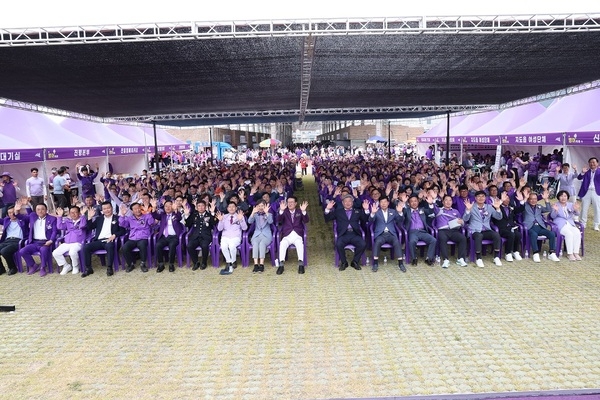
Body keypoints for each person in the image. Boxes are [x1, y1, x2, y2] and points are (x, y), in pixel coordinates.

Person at [324, 194, 367, 271]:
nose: (348, 203)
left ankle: (355, 261)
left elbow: (365, 220)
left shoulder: (357, 211)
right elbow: (327, 219)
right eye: (345, 201)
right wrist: (327, 209)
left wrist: (366, 210)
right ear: (343, 203)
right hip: (343, 234)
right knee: (339, 244)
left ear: (352, 202)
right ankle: (344, 262)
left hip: (354, 234)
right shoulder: (338, 212)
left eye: (349, 201)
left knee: (362, 244)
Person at [82, 201, 124, 277]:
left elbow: (123, 230)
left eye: (108, 208)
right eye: (104, 209)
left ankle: (109, 268)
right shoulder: (99, 219)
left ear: (112, 208)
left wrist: (115, 235)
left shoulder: (117, 218)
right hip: (99, 241)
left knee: (109, 246)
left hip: (110, 240)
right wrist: (89, 218)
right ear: (102, 210)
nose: (106, 210)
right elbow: (89, 227)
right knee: (86, 247)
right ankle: (88, 268)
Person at [515, 191, 560, 263]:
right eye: (531, 199)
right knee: (534, 234)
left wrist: (546, 200)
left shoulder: (539, 206)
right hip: (530, 227)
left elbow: (548, 209)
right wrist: (524, 199)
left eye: (535, 199)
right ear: (529, 199)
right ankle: (535, 253)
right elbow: (520, 208)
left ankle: (552, 253)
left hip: (540, 227)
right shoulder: (525, 206)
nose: (533, 201)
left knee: (552, 234)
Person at [463, 191, 503, 268]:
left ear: (485, 198)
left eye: (482, 196)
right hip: (475, 230)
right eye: (478, 196)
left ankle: (496, 257)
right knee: (479, 236)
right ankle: (478, 258)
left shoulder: (489, 207)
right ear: (475, 198)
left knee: (496, 235)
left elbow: (498, 217)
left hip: (486, 229)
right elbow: (465, 219)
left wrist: (498, 208)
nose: (481, 198)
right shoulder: (471, 206)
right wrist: (468, 210)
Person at [19, 203, 58, 277]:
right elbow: (21, 217)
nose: (40, 211)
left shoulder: (52, 219)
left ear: (46, 210)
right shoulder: (32, 216)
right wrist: (17, 211)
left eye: (42, 209)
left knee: (43, 250)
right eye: (38, 209)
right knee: (22, 251)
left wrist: (51, 240)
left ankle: (43, 267)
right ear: (36, 211)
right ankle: (33, 265)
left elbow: (54, 231)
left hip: (46, 242)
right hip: (34, 242)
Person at [368, 196, 405, 272]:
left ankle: (401, 263)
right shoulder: (377, 211)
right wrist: (372, 213)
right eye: (381, 202)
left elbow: (400, 220)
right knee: (377, 242)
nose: (383, 204)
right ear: (379, 203)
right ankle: (375, 263)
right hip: (380, 234)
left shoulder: (393, 211)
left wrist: (400, 212)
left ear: (388, 203)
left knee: (396, 242)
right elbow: (370, 221)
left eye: (385, 202)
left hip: (391, 233)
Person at [431, 194, 468, 268]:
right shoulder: (439, 210)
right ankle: (445, 260)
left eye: (450, 200)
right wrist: (432, 201)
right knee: (443, 238)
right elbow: (433, 207)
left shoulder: (456, 211)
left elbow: (462, 222)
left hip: (454, 231)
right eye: (446, 200)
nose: (448, 202)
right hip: (443, 231)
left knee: (463, 238)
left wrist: (462, 222)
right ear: (443, 202)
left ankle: (460, 258)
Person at [119, 202, 157, 273]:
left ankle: (143, 264)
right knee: (124, 247)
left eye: (139, 208)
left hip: (143, 237)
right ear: (132, 211)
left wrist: (148, 213)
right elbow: (122, 224)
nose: (137, 210)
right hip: (132, 238)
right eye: (135, 209)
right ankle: (130, 264)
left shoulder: (146, 216)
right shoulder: (129, 218)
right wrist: (122, 215)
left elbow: (152, 223)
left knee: (142, 245)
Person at [277, 196, 309, 274]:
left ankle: (301, 264)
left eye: (292, 202)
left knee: (299, 244)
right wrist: (281, 210)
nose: (290, 204)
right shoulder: (284, 211)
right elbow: (278, 220)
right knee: (282, 243)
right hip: (287, 235)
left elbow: (306, 220)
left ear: (295, 203)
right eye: (288, 202)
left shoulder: (299, 211)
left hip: (297, 234)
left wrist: (304, 211)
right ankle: (281, 265)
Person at [52, 205, 87, 275]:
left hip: (78, 243)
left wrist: (83, 215)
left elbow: (83, 225)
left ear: (79, 213)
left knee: (72, 252)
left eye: (75, 212)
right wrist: (59, 216)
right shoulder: (68, 222)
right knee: (55, 253)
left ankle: (75, 266)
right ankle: (66, 266)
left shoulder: (82, 220)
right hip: (67, 243)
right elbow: (59, 226)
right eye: (71, 212)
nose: (73, 214)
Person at [402, 195, 436, 266]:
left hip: (422, 231)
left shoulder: (422, 210)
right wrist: (403, 203)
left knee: (433, 240)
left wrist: (430, 204)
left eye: (415, 201)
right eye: (411, 201)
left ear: (418, 202)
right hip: (412, 232)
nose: (414, 203)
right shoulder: (407, 211)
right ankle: (414, 258)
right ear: (409, 203)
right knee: (412, 241)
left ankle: (428, 258)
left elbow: (431, 212)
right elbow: (401, 214)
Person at [216, 201, 248, 275]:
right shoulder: (224, 216)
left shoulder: (239, 216)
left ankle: (232, 261)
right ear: (227, 208)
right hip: (225, 236)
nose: (231, 208)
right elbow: (219, 229)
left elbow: (245, 228)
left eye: (233, 207)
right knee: (223, 247)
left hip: (235, 237)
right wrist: (220, 221)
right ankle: (230, 262)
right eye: (229, 207)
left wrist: (241, 219)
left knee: (231, 246)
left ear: (236, 208)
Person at [550, 190, 582, 261]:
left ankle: (575, 252)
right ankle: (570, 254)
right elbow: (552, 216)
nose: (563, 198)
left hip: (570, 223)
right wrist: (555, 210)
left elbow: (577, 214)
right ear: (558, 197)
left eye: (565, 196)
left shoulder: (570, 204)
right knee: (569, 234)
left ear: (567, 197)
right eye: (561, 196)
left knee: (577, 232)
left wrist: (576, 210)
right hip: (560, 224)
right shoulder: (555, 205)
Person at [184, 200, 216, 271]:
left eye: (202, 206)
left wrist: (213, 213)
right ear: (196, 207)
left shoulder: (209, 215)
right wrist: (186, 215)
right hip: (195, 236)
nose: (201, 207)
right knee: (189, 246)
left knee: (204, 246)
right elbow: (187, 224)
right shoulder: (194, 215)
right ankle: (196, 262)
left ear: (205, 207)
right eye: (199, 206)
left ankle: (204, 262)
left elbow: (214, 223)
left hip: (206, 237)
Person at [0, 200, 29, 275]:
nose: (11, 214)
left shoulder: (23, 219)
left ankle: (12, 268)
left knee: (4, 251)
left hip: (18, 241)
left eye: (13, 212)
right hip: (7, 241)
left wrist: (26, 205)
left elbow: (30, 216)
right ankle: (1, 268)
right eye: (9, 213)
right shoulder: (6, 220)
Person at [155, 200, 184, 273]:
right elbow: (155, 216)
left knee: (172, 245)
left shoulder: (175, 214)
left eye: (169, 205)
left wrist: (176, 210)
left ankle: (171, 264)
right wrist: (153, 207)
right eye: (166, 206)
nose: (167, 207)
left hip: (174, 237)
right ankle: (161, 264)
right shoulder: (162, 215)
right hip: (164, 237)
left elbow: (179, 217)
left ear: (173, 206)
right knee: (158, 245)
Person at [494, 192, 523, 262]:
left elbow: (520, 210)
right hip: (502, 228)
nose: (507, 200)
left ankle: (515, 251)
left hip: (511, 227)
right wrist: (500, 201)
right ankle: (508, 253)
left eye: (508, 198)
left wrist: (522, 201)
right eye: (505, 198)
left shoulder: (511, 207)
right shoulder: (497, 207)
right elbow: (494, 210)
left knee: (518, 234)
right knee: (511, 234)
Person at [248, 199, 274, 273]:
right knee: (255, 244)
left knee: (262, 244)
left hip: (266, 235)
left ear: (265, 206)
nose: (260, 207)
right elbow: (249, 221)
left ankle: (261, 264)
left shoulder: (269, 214)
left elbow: (270, 221)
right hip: (257, 234)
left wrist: (267, 213)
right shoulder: (255, 215)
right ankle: (256, 264)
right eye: (259, 206)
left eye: (262, 205)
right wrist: (252, 213)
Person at [576, 157, 600, 230]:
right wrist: (582, 172)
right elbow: (579, 178)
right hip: (586, 191)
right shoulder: (586, 171)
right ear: (589, 163)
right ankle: (583, 223)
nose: (592, 164)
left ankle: (596, 225)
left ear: (597, 163)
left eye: (594, 162)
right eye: (590, 162)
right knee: (584, 208)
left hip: (596, 191)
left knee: (597, 209)